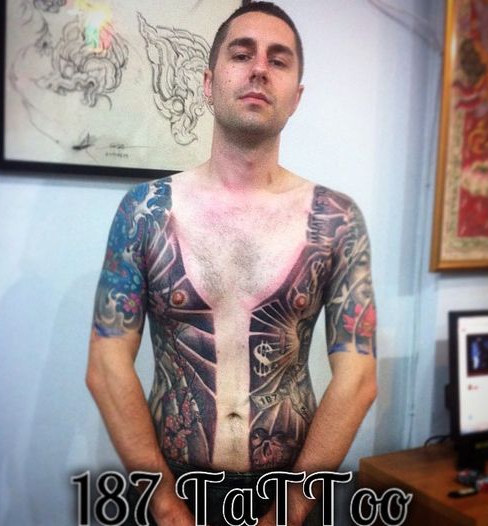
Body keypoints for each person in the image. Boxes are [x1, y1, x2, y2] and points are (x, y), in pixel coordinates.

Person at [86, 3, 377, 525]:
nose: (259, 68)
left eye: (278, 60)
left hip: (291, 490)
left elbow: (358, 378)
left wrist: (292, 507)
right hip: (171, 487)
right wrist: (165, 504)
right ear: (207, 82)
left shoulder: (336, 220)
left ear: (296, 97)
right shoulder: (146, 212)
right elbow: (106, 366)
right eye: (241, 54)